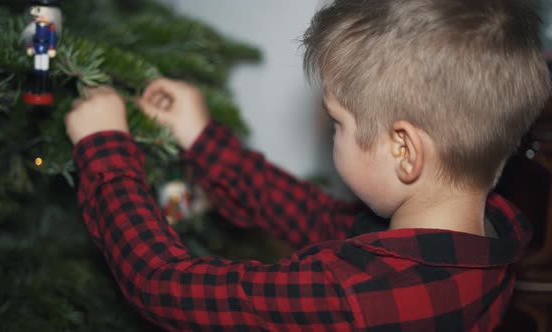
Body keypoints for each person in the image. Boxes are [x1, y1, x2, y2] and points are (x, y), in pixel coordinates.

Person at [64, 0, 551, 330]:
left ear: (404, 150)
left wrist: (105, 149)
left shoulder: (352, 298)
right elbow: (317, 219)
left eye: (336, 122)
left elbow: (161, 282)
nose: (329, 132)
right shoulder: (483, 242)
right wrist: (201, 136)